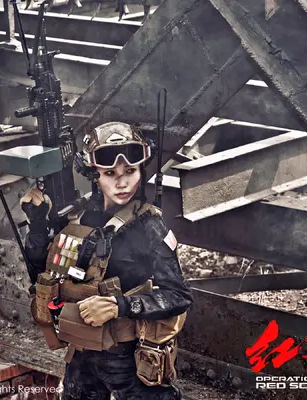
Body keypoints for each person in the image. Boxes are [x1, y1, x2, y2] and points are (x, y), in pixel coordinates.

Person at [21, 122, 193, 400]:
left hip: (130, 359)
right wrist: (38, 224)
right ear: (95, 175)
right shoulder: (78, 216)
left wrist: (119, 305)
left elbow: (178, 296)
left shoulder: (149, 226)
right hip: (81, 354)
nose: (122, 183)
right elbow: (42, 269)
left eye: (130, 172)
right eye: (110, 173)